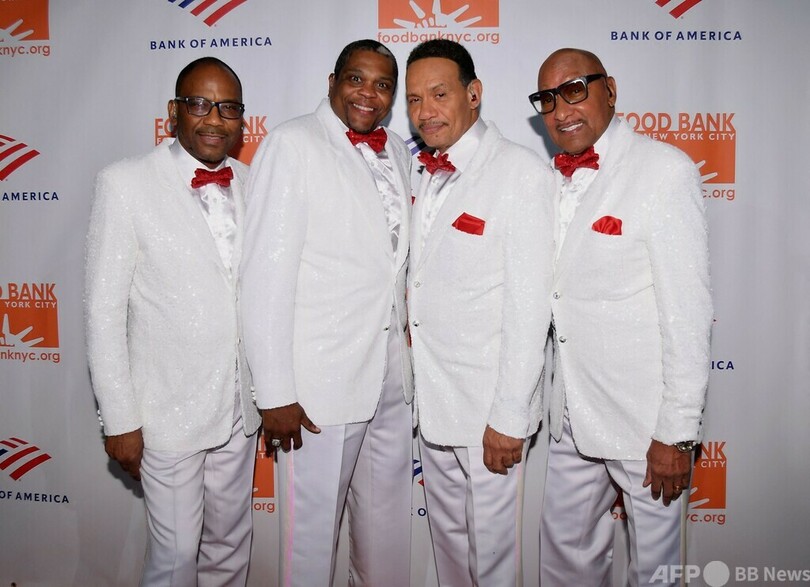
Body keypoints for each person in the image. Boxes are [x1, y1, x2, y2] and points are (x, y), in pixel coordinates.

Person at [530, 48, 713, 586]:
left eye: (575, 90)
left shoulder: (664, 171)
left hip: (645, 422)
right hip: (569, 412)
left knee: (654, 570)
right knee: (563, 556)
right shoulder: (547, 180)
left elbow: (688, 312)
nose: (561, 109)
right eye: (547, 99)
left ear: (609, 89)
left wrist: (677, 432)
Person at [240, 40, 413, 587]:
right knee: (310, 543)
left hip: (391, 377)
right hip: (317, 387)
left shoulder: (398, 151)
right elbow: (264, 278)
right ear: (333, 82)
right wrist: (275, 392)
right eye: (357, 79)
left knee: (386, 531)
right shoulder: (292, 144)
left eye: (383, 85)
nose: (369, 94)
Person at [85, 57, 261, 585]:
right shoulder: (125, 183)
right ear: (173, 111)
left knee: (230, 544)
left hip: (239, 405)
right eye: (200, 104)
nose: (214, 119)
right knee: (176, 556)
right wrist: (120, 420)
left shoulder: (252, 181)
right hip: (165, 410)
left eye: (228, 108)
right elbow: (103, 311)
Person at [405, 39, 554, 586]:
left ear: (474, 94)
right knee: (449, 550)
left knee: (493, 560)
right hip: (432, 404)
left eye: (439, 94)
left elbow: (530, 306)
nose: (425, 111)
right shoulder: (421, 171)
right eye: (414, 99)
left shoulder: (519, 173)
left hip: (490, 413)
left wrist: (509, 416)